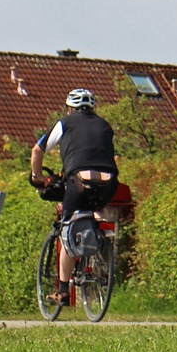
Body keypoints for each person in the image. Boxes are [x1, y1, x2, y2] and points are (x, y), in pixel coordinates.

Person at [29, 88, 119, 306]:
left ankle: (62, 291)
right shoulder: (104, 125)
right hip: (109, 183)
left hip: (78, 181)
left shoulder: (64, 123)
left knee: (67, 229)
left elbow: (37, 151)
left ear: (69, 108)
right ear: (92, 108)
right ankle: (99, 240)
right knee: (95, 207)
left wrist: (37, 176)